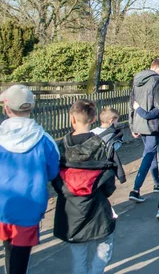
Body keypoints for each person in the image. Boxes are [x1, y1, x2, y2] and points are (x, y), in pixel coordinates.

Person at [0, 85, 59, 274]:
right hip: (29, 204)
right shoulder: (44, 139)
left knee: (8, 246)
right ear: (31, 107)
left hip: (1, 203)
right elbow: (53, 172)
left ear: (6, 109)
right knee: (21, 254)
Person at [52, 100, 120, 274]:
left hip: (70, 208)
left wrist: (66, 190)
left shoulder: (61, 146)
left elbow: (55, 177)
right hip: (96, 205)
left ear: (72, 119)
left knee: (78, 256)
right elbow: (108, 179)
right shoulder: (101, 145)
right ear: (94, 118)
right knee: (105, 247)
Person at [128, 58, 159, 202]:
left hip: (139, 121)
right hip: (153, 122)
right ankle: (136, 188)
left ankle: (157, 183)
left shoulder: (137, 79)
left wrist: (132, 125)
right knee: (154, 153)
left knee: (150, 152)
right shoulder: (157, 80)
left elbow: (131, 103)